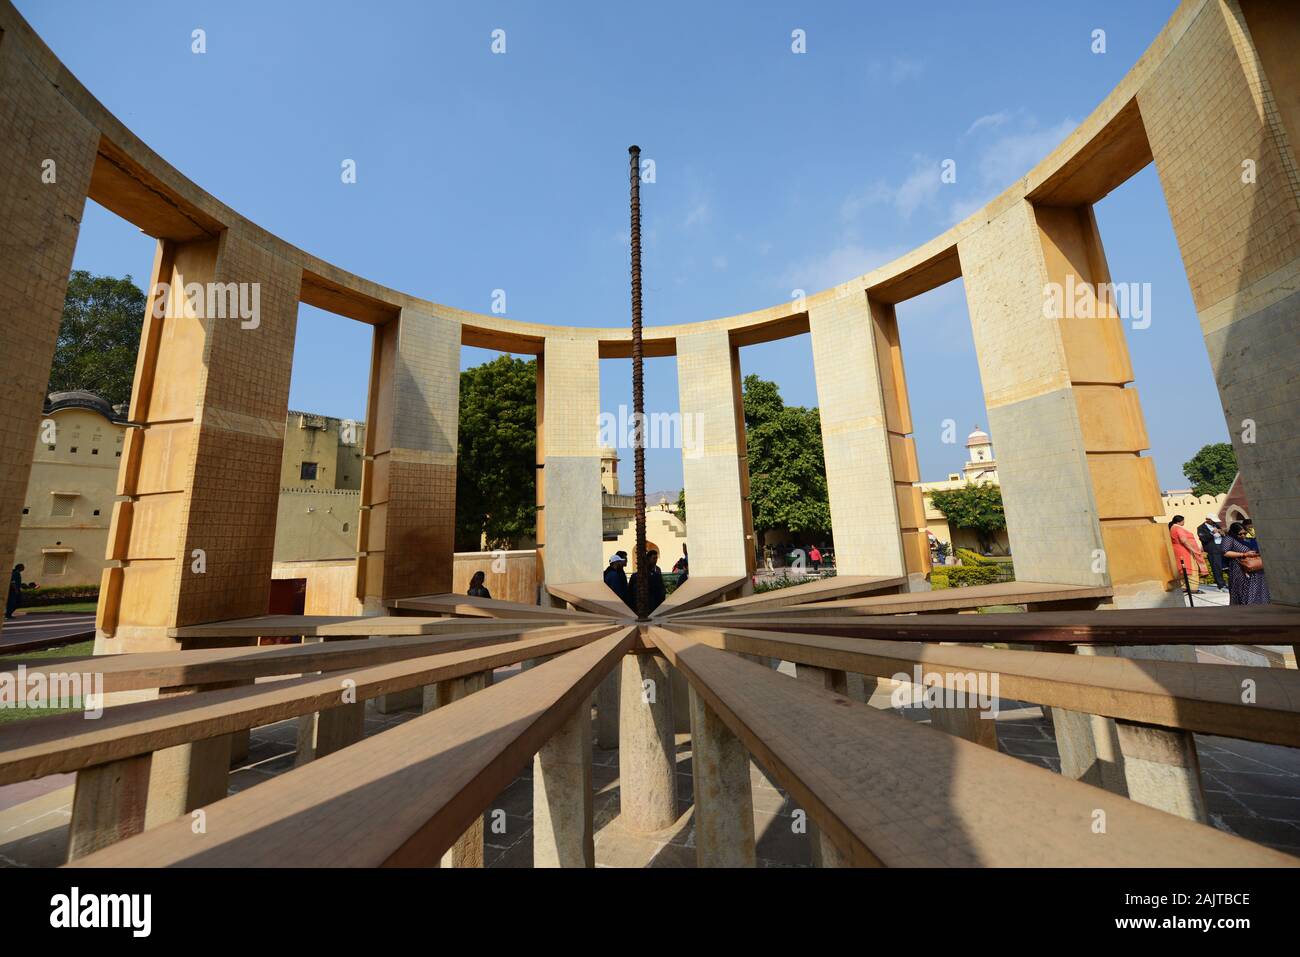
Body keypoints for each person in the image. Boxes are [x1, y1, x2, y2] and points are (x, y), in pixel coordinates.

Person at [1222, 521, 1270, 605]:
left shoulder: (1248, 539)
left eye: (1244, 533)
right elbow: (1225, 552)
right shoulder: (1229, 539)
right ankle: (1245, 606)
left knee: (1258, 589)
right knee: (1243, 590)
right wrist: (1244, 554)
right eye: (1240, 534)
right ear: (1233, 533)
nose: (1243, 536)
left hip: (1255, 569)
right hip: (1239, 569)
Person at [1168, 515, 1206, 593]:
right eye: (1183, 521)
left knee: (1182, 569)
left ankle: (1184, 587)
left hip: (1177, 551)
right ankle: (1193, 588)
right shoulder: (1178, 528)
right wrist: (1194, 550)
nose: (1184, 522)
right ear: (1180, 521)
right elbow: (1184, 540)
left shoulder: (1172, 528)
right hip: (1185, 551)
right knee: (1191, 569)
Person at [627, 549, 666, 614]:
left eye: (656, 558)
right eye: (654, 558)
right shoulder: (635, 576)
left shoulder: (656, 573)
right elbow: (630, 592)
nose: (655, 560)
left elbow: (661, 591)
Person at [1196, 515, 1227, 590]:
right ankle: (1221, 585)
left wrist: (1223, 533)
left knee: (1226, 567)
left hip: (1222, 547)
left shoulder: (1216, 525)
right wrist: (1212, 532)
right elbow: (1204, 539)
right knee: (1216, 568)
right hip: (1213, 549)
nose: (1214, 522)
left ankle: (1227, 583)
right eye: (1212, 520)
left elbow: (1223, 535)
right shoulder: (1201, 528)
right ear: (1208, 520)